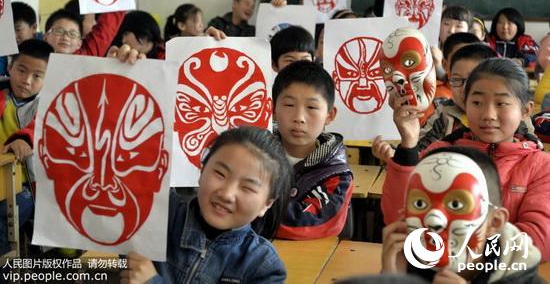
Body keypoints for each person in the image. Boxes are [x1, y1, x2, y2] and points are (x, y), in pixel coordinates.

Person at [381, 57, 550, 260]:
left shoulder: (540, 166)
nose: (488, 114)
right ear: (465, 104)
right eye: (477, 102)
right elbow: (398, 219)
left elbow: (538, 239)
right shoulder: (441, 153)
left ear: (526, 110)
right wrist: (408, 143)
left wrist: (462, 254)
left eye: (501, 103)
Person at [120, 126, 292, 283]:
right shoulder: (159, 211)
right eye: (220, 174)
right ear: (202, 171)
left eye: (247, 187)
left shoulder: (263, 267)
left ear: (266, 204)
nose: (226, 194)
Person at [382, 146, 543, 283]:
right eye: (419, 204)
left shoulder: (523, 278)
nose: (433, 220)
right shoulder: (404, 264)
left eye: (456, 205)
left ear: (494, 222)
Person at [373, 43, 497, 163]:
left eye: (472, 79)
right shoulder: (443, 112)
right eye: (456, 79)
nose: (464, 88)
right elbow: (420, 154)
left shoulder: (508, 119)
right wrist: (400, 149)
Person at [272, 60, 353, 239]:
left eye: (311, 107)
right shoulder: (254, 154)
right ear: (273, 109)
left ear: (329, 116)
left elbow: (310, 221)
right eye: (289, 105)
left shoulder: (336, 174)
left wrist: (245, 207)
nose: (299, 118)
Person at [0, 39, 55, 255]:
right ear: (10, 66)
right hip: (2, 178)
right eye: (21, 70)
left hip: (27, 187)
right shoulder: (3, 95)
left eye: (37, 76)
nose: (26, 81)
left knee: (5, 222)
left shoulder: (48, 103)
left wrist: (25, 139)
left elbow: (41, 126)